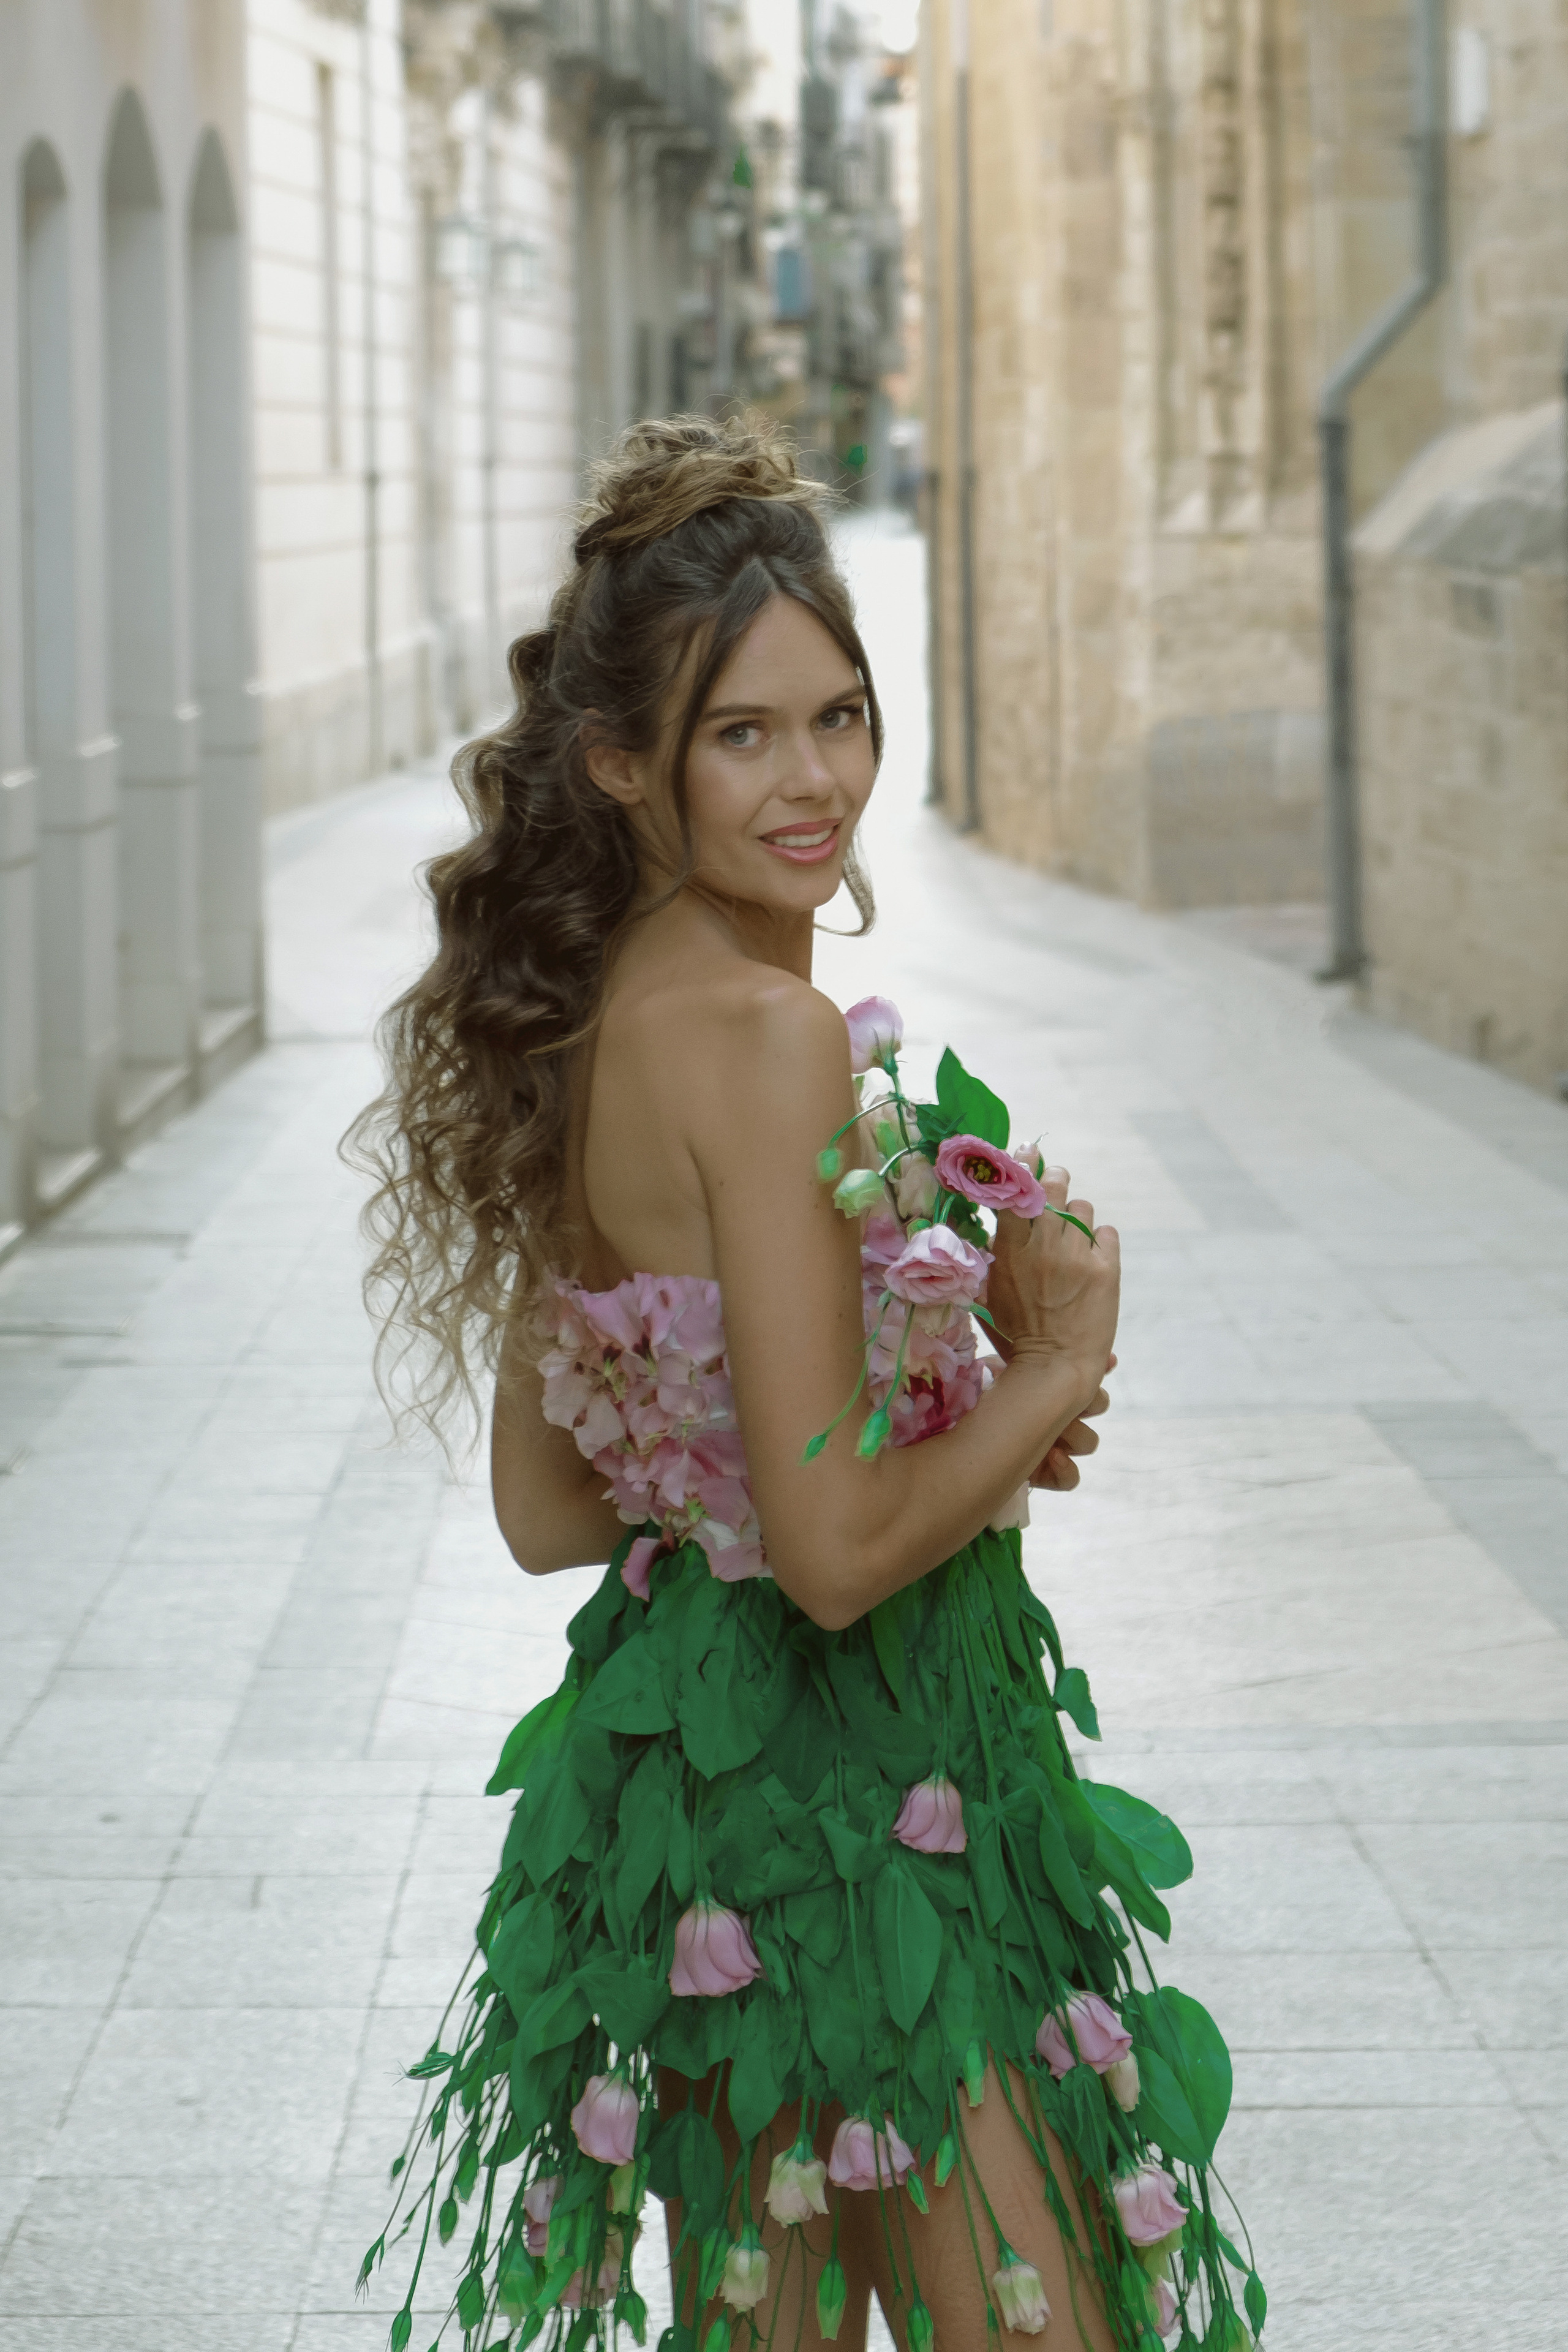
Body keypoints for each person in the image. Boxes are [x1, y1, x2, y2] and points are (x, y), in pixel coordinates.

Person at [349, 417, 1262, 2352]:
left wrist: (939, 1404)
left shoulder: (591, 1024)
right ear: (623, 765)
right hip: (866, 1817)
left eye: (838, 716)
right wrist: (1053, 1368)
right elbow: (837, 1554)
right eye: (741, 735)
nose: (815, 779)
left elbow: (560, 1509)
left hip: (684, 1806)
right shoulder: (767, 1041)